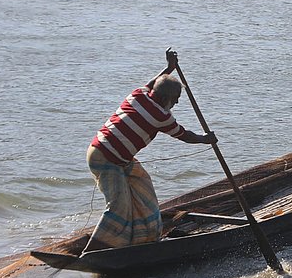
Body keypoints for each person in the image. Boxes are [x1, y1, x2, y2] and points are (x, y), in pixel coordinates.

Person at [84, 49, 216, 253]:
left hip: (120, 159)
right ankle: (90, 252)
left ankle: (140, 240)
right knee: (118, 206)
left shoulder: (139, 94)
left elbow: (155, 82)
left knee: (144, 196)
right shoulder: (161, 115)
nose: (178, 102)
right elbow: (184, 135)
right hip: (104, 158)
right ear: (165, 98)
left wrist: (170, 69)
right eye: (176, 98)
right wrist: (205, 139)